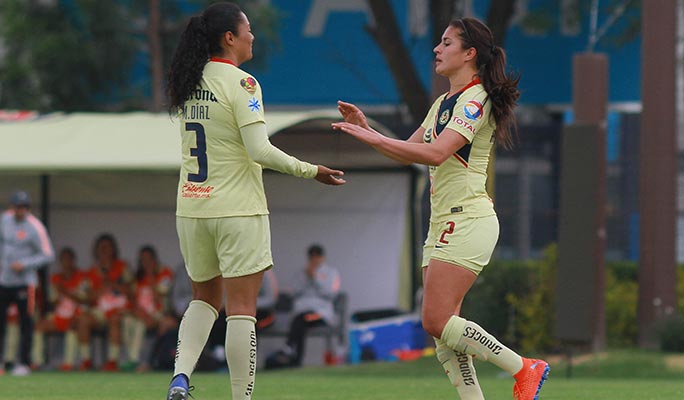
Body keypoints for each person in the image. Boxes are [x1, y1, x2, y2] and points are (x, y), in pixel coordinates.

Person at [332, 17, 549, 400]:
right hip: (444, 223)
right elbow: (408, 152)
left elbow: (434, 152)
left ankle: (524, 367)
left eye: (446, 43)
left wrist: (368, 135)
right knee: (443, 329)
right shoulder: (443, 102)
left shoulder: (475, 98)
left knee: (434, 319)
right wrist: (368, 130)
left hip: (468, 220)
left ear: (470, 54)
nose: (437, 48)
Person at [164, 3, 345, 400]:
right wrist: (310, 169)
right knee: (242, 309)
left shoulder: (189, 82)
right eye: (248, 31)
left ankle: (180, 377)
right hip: (238, 211)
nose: (252, 37)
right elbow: (259, 150)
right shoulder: (243, 83)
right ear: (229, 38)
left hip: (192, 208)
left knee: (204, 300)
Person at [0, 190, 54, 376]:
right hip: (4, 280)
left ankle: (23, 363)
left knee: (26, 322)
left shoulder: (35, 227)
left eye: (23, 207)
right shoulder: (4, 220)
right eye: (17, 207)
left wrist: (24, 264)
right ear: (11, 207)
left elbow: (48, 255)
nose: (20, 211)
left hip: (25, 283)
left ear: (28, 209)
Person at [265, 244, 341, 369]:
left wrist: (315, 278)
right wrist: (306, 277)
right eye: (312, 257)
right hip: (301, 312)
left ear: (323, 257)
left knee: (301, 320)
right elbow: (294, 292)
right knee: (300, 321)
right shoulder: (301, 273)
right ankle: (294, 357)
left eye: (318, 256)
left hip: (321, 312)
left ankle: (290, 349)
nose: (315, 259)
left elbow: (331, 293)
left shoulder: (331, 273)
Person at [77, 233, 131, 371]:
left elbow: (131, 289)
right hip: (99, 310)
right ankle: (86, 360)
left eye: (107, 248)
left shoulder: (123, 267)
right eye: (101, 248)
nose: (104, 251)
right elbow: (86, 297)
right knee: (83, 319)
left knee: (114, 319)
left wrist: (112, 283)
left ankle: (112, 362)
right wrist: (100, 289)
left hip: (119, 310)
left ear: (114, 250)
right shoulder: (90, 272)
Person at [31, 247, 89, 371]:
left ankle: (69, 363)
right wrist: (57, 294)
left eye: (69, 259)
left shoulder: (82, 277)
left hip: (76, 314)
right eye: (63, 260)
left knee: (72, 327)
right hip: (60, 314)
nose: (66, 263)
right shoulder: (56, 278)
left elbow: (84, 300)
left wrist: (65, 291)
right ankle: (37, 361)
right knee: (39, 326)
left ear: (74, 261)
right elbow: (52, 302)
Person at [123, 245, 174, 371]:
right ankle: (130, 359)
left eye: (148, 259)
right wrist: (140, 313)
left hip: (159, 314)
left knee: (140, 325)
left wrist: (151, 276)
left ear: (154, 259)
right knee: (127, 321)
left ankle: (136, 360)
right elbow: (133, 301)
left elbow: (159, 298)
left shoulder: (164, 273)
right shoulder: (138, 278)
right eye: (142, 260)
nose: (145, 263)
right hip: (140, 314)